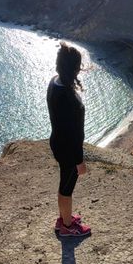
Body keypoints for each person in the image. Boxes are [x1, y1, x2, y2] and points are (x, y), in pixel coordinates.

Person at [47, 42, 92, 237]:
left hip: (58, 143)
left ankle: (64, 218)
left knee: (64, 185)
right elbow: (75, 135)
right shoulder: (69, 98)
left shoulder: (54, 82)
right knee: (66, 188)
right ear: (75, 68)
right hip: (68, 150)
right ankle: (66, 226)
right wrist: (79, 161)